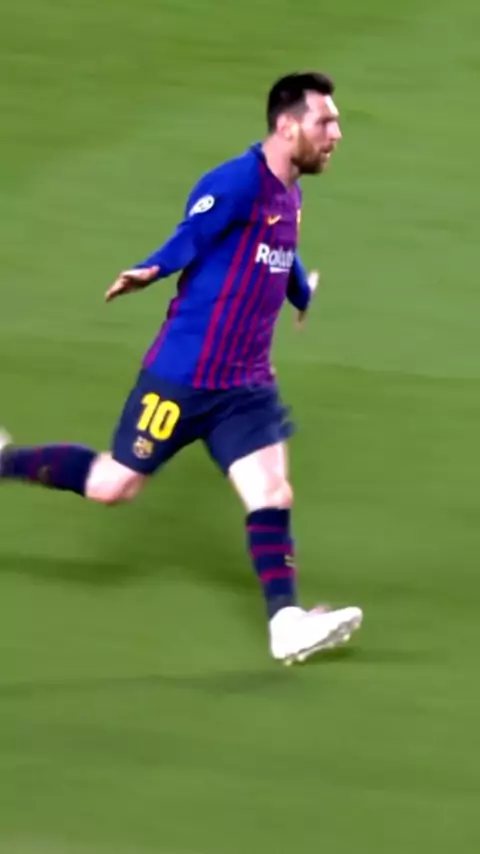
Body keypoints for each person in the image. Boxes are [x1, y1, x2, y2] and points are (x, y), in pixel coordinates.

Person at [0, 71, 362, 665]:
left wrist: (301, 292)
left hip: (245, 385)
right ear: (287, 126)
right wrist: (152, 268)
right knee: (114, 485)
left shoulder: (290, 194)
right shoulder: (237, 181)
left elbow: (280, 253)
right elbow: (192, 234)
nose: (336, 134)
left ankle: (287, 622)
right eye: (326, 122)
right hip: (183, 378)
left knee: (272, 491)